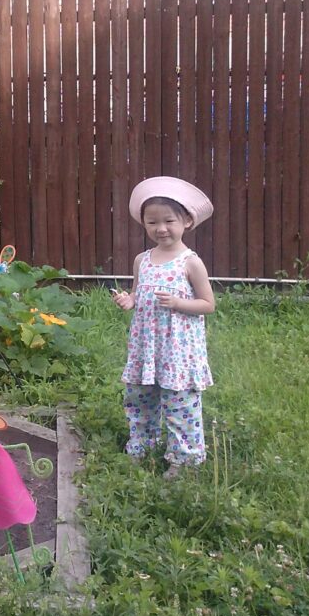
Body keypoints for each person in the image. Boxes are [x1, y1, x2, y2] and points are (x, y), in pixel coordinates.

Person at [111, 176, 216, 478]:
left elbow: (208, 304)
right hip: (147, 347)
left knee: (180, 404)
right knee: (140, 398)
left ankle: (185, 461)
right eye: (152, 222)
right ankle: (141, 444)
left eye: (169, 220)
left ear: (186, 221)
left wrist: (179, 303)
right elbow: (136, 293)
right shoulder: (141, 260)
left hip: (178, 351)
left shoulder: (190, 262)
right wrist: (128, 301)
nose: (161, 229)